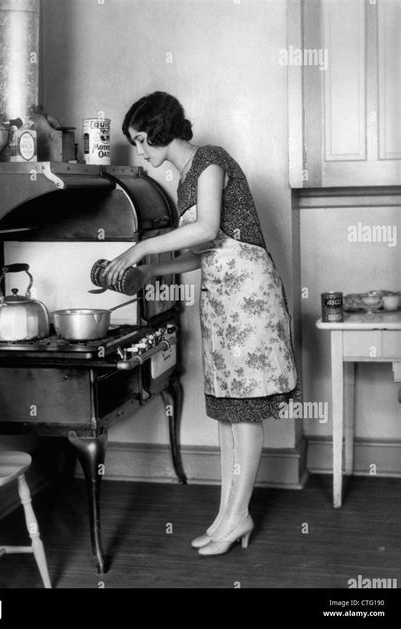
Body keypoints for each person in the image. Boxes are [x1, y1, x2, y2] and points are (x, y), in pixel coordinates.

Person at [103, 91, 299, 556]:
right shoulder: (184, 178)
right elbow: (203, 250)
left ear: (159, 131)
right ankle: (226, 514)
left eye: (141, 140)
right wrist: (152, 271)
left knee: (246, 408)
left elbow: (209, 228)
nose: (141, 152)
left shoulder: (210, 160)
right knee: (228, 410)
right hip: (221, 300)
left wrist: (139, 250)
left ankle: (238, 514)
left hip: (249, 298)